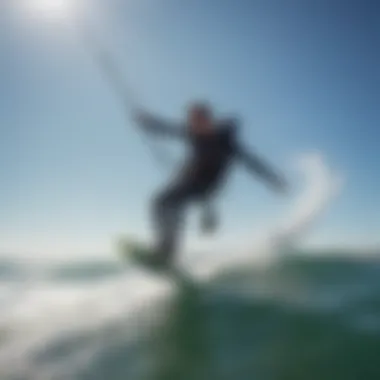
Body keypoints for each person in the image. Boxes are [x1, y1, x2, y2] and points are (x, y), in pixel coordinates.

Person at [134, 102, 288, 267]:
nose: (194, 126)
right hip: (189, 178)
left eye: (197, 122)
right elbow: (168, 128)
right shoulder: (193, 132)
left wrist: (273, 180)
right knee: (160, 203)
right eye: (192, 122)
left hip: (207, 185)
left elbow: (252, 162)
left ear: (208, 120)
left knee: (169, 203)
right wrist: (148, 122)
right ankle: (166, 250)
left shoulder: (226, 143)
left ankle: (167, 252)